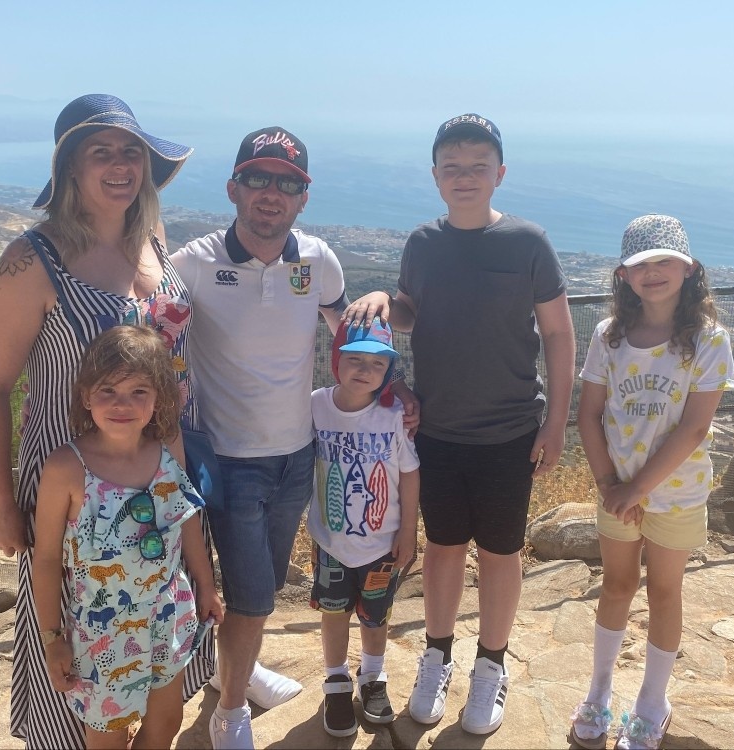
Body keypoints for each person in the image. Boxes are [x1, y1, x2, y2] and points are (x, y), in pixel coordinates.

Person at [0, 94, 212, 749]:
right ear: (70, 167)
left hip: (158, 482)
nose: (119, 164)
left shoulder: (153, 243)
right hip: (73, 492)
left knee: (156, 648)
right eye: (100, 151)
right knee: (79, 652)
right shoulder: (31, 261)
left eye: (131, 150)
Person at [169, 127, 418, 749]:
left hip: (298, 456)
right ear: (233, 188)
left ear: (303, 198)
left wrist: (391, 359)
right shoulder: (193, 263)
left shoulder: (318, 260)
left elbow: (354, 336)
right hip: (228, 460)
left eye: (287, 183)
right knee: (254, 598)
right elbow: (151, 332)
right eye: (258, 178)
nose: (271, 193)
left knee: (264, 587)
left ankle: (238, 668)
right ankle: (230, 714)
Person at [343, 112, 576, 735]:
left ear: (500, 173)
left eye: (478, 166)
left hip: (509, 430)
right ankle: (437, 657)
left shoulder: (528, 242)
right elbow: (413, 311)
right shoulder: (423, 243)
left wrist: (556, 422)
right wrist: (385, 301)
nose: (465, 177)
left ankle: (491, 665)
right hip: (437, 428)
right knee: (443, 548)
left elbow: (558, 333)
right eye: (453, 167)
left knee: (501, 552)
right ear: (435, 176)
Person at [568, 214, 734, 750]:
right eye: (641, 264)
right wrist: (610, 487)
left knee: (665, 593)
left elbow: (695, 428)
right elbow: (589, 415)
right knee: (616, 586)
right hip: (616, 490)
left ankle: (651, 703)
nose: (653, 271)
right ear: (624, 275)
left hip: (676, 494)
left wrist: (634, 491)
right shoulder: (609, 336)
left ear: (689, 269)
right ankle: (598, 690)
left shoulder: (709, 340)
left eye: (665, 260)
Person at [32, 325, 224, 749]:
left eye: (139, 391)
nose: (123, 404)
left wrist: (206, 585)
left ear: (158, 399)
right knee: (107, 736)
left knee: (167, 721)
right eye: (108, 390)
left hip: (168, 614)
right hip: (102, 635)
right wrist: (51, 639)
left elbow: (185, 518)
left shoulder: (167, 446)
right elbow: (45, 559)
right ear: (86, 396)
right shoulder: (66, 468)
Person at [307, 318, 420, 738]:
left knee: (376, 616)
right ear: (335, 361)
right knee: (334, 612)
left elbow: (409, 472)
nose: (365, 370)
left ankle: (373, 676)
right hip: (331, 541)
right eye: (355, 359)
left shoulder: (393, 416)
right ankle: (336, 679)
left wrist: (408, 532)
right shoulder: (316, 405)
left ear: (388, 371)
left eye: (377, 363)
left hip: (382, 544)